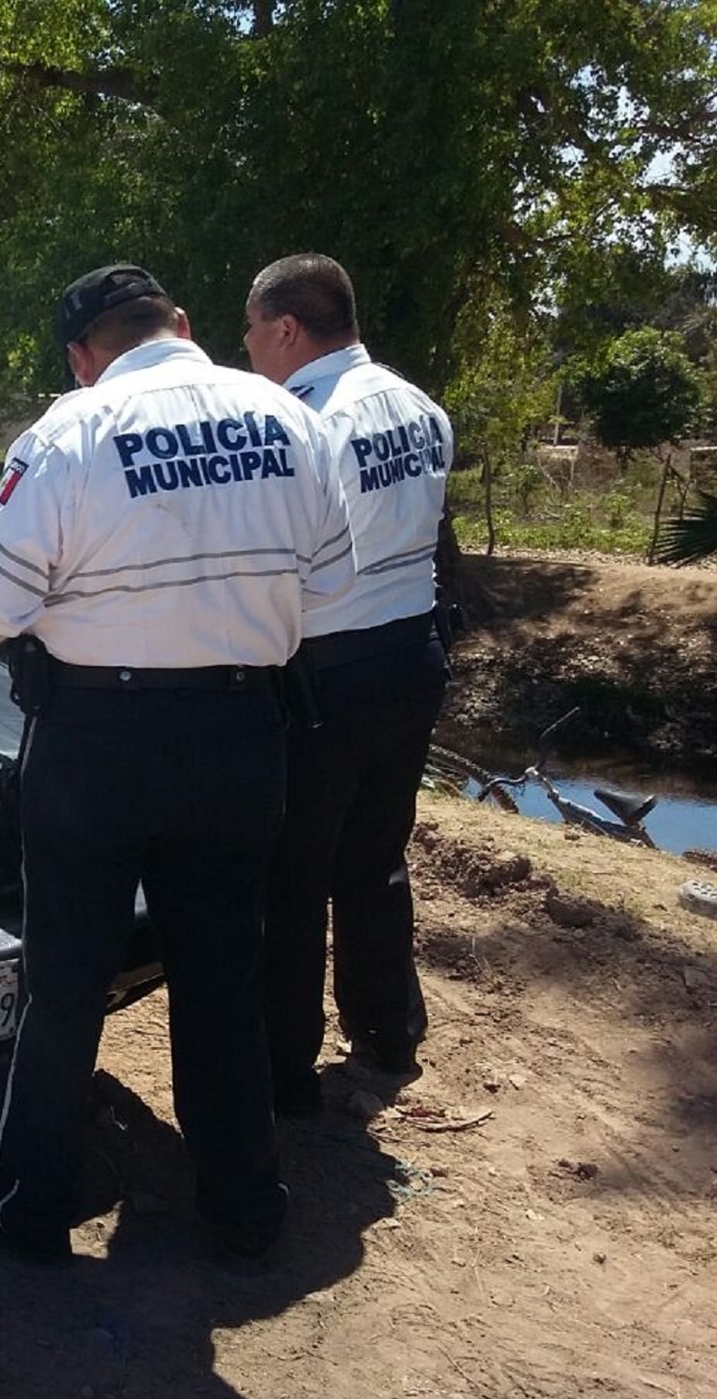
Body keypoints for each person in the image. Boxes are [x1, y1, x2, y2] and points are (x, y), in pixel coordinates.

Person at [0, 263, 355, 1260]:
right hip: (242, 736)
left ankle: (32, 1206)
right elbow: (332, 586)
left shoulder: (73, 431)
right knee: (223, 977)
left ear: (82, 357)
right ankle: (246, 1208)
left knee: (65, 982)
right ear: (180, 323)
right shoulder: (291, 420)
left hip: (100, 743)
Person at [243, 253, 452, 1112]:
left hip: (330, 672)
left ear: (287, 329)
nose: (247, 345)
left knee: (293, 876)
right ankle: (387, 1031)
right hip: (414, 656)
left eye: (252, 329)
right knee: (376, 857)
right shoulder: (420, 406)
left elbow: (284, 564)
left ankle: (283, 1072)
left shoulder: (306, 424)